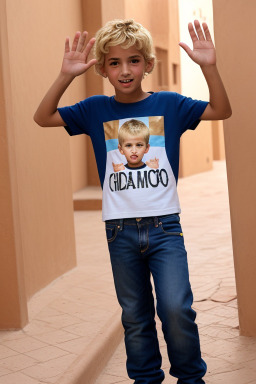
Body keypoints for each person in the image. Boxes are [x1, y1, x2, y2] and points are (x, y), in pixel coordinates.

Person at [34, 18, 231, 384]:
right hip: (119, 232)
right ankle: (146, 380)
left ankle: (191, 379)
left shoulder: (171, 105)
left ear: (148, 64)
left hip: (164, 228)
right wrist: (66, 76)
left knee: (176, 308)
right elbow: (42, 117)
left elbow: (221, 110)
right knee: (135, 316)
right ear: (104, 69)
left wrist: (209, 68)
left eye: (134, 60)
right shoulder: (93, 110)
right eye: (114, 62)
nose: (125, 70)